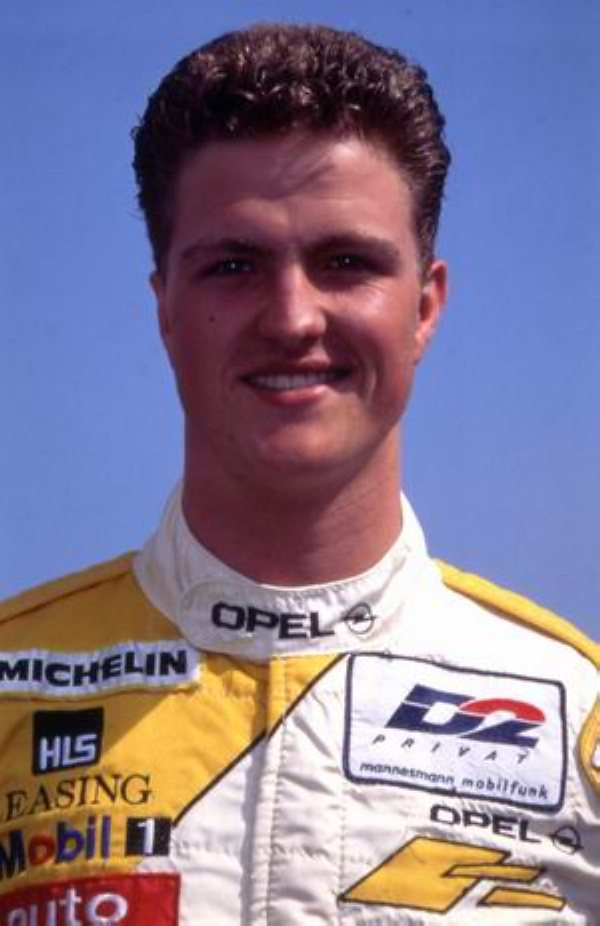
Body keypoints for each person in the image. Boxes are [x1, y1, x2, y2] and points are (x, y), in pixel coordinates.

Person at [0, 22, 597, 925]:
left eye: (346, 263)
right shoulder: (14, 680)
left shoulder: (579, 714)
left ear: (424, 307)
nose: (291, 318)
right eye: (233, 266)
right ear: (165, 310)